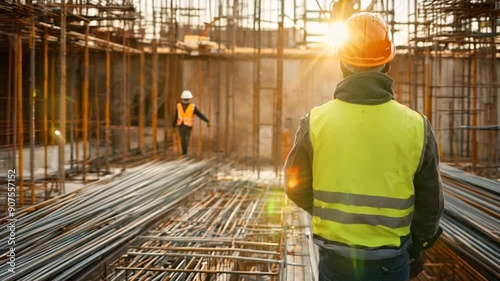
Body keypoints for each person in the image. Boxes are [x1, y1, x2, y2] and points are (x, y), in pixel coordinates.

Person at [284, 12, 444, 281]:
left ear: (342, 62)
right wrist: (418, 244)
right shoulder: (416, 126)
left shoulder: (316, 122)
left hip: (336, 263)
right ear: (387, 62)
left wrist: (330, 215)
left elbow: (294, 184)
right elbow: (431, 203)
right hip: (391, 262)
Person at [172, 90, 210, 155]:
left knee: (183, 139)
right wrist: (207, 121)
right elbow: (200, 115)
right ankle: (184, 153)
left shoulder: (179, 106)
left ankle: (184, 152)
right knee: (186, 139)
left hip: (181, 125)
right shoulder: (192, 107)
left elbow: (176, 116)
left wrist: (173, 125)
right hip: (187, 126)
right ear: (189, 98)